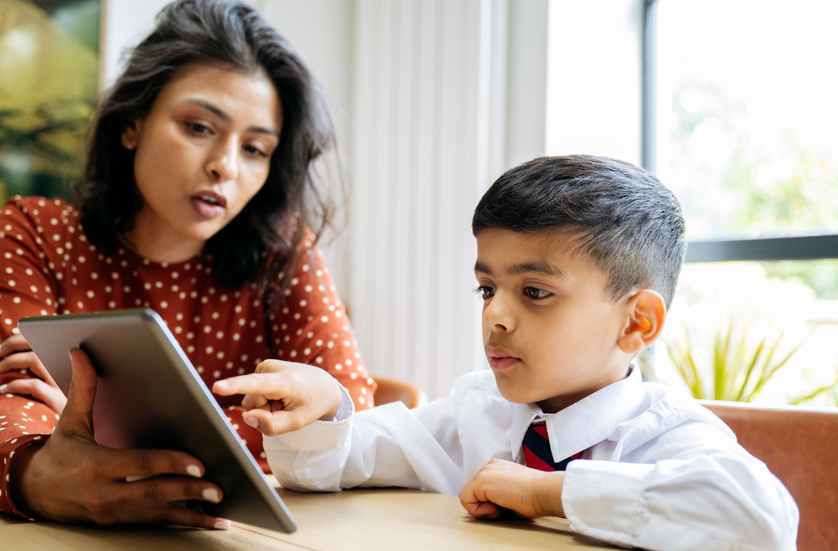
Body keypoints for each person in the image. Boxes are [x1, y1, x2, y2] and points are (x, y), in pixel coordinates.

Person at [214, 155, 800, 550]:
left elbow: (763, 521)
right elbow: (333, 466)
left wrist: (547, 492)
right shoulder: (476, 411)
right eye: (487, 288)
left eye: (535, 292)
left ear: (636, 322)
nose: (494, 314)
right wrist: (324, 409)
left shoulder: (664, 434)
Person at [0, 0, 376, 530]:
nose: (225, 166)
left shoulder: (284, 254)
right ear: (132, 123)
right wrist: (35, 476)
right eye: (199, 127)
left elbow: (348, 410)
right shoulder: (34, 233)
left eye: (255, 149)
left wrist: (110, 432)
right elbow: (7, 422)